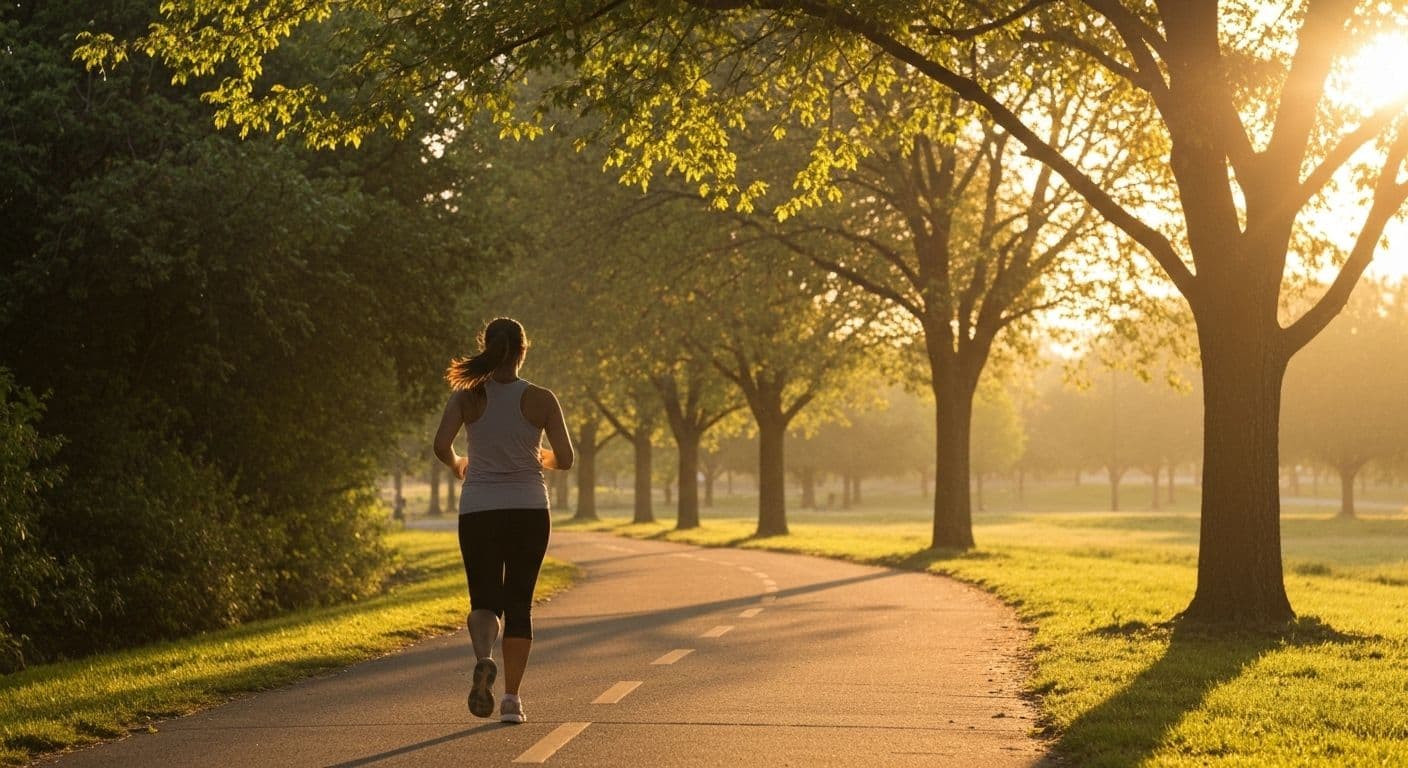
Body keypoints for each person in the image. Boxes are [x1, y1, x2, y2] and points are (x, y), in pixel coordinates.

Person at [433, 317, 574, 724]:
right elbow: (565, 459)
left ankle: (483, 659)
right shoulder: (542, 399)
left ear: (487, 347)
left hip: (479, 508)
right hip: (529, 509)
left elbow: (442, 445)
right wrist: (538, 457)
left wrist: (460, 463)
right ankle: (511, 700)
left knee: (483, 598)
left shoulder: (467, 397)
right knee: (519, 604)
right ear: (523, 351)